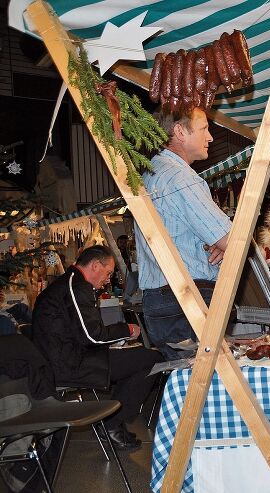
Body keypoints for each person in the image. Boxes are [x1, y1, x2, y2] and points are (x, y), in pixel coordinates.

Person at [30, 246, 164, 451]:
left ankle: (113, 422)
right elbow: (92, 336)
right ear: (94, 265)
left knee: (141, 358)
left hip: (64, 358)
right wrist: (126, 329)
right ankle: (112, 424)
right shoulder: (76, 287)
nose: (108, 279)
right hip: (68, 364)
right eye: (108, 273)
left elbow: (84, 335)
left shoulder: (67, 284)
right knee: (150, 359)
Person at [134, 107, 232, 360]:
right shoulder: (180, 177)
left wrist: (216, 241)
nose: (210, 137)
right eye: (204, 128)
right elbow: (232, 240)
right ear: (179, 131)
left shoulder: (150, 174)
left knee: (188, 383)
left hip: (160, 299)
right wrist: (222, 241)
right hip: (187, 298)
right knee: (207, 384)